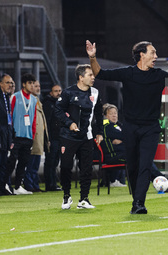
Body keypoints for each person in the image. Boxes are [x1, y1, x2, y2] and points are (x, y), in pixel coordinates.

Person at [86, 40, 168, 214]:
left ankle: (139, 203)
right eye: (153, 53)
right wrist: (92, 57)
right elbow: (99, 73)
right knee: (133, 167)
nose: (156, 56)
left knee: (145, 165)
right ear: (141, 55)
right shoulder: (127, 73)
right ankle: (140, 198)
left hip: (151, 128)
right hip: (130, 128)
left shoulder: (159, 75)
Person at [101, 103, 168, 191]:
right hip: (114, 156)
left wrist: (124, 140)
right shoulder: (106, 126)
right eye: (111, 113)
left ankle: (164, 182)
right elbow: (127, 136)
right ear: (105, 116)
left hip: (125, 153)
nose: (114, 115)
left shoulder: (119, 125)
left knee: (144, 159)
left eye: (115, 113)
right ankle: (165, 181)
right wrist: (126, 139)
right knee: (142, 158)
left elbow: (129, 136)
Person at [55, 64, 103, 210]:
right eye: (90, 75)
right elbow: (58, 111)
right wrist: (69, 123)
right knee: (65, 167)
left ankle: (84, 199)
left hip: (86, 136)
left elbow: (99, 114)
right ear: (81, 77)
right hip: (68, 136)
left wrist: (99, 132)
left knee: (86, 168)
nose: (93, 77)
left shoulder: (95, 92)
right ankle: (66, 196)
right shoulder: (68, 92)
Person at [4, 73, 37, 195]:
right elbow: (10, 116)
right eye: (30, 83)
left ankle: (18, 186)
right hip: (16, 136)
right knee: (11, 161)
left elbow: (34, 120)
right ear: (24, 84)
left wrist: (32, 136)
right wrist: (10, 135)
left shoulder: (34, 100)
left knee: (23, 162)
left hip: (28, 137)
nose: (32, 86)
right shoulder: (15, 97)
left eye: (33, 83)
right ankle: (5, 184)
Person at [24, 81, 49, 192]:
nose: (38, 88)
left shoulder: (37, 101)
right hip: (33, 137)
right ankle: (29, 185)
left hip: (39, 137)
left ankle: (34, 185)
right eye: (35, 86)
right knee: (31, 162)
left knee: (35, 163)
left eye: (39, 86)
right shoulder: (29, 102)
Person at [0, 74, 14, 196]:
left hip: (6, 135)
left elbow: (8, 119)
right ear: (0, 84)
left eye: (11, 83)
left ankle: (1, 186)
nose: (10, 85)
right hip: (0, 135)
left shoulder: (6, 97)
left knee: (4, 163)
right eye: (7, 83)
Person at [42, 84, 62, 191]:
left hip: (58, 137)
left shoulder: (60, 104)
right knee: (50, 161)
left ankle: (53, 184)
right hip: (52, 138)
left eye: (59, 91)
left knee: (55, 162)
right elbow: (47, 123)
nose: (58, 93)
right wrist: (47, 138)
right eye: (56, 91)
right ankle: (49, 185)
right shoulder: (48, 104)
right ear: (51, 93)